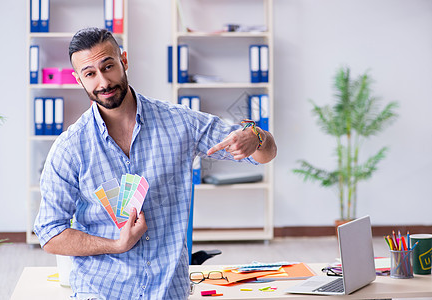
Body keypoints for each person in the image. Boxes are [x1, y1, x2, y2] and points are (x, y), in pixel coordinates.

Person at [34, 27, 277, 300]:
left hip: (168, 291)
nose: (103, 81)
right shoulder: (70, 148)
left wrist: (256, 136)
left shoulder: (180, 122)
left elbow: (264, 156)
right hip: (101, 291)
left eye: (108, 66)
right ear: (79, 79)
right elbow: (50, 233)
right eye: (90, 73)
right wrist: (116, 245)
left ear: (124, 61)